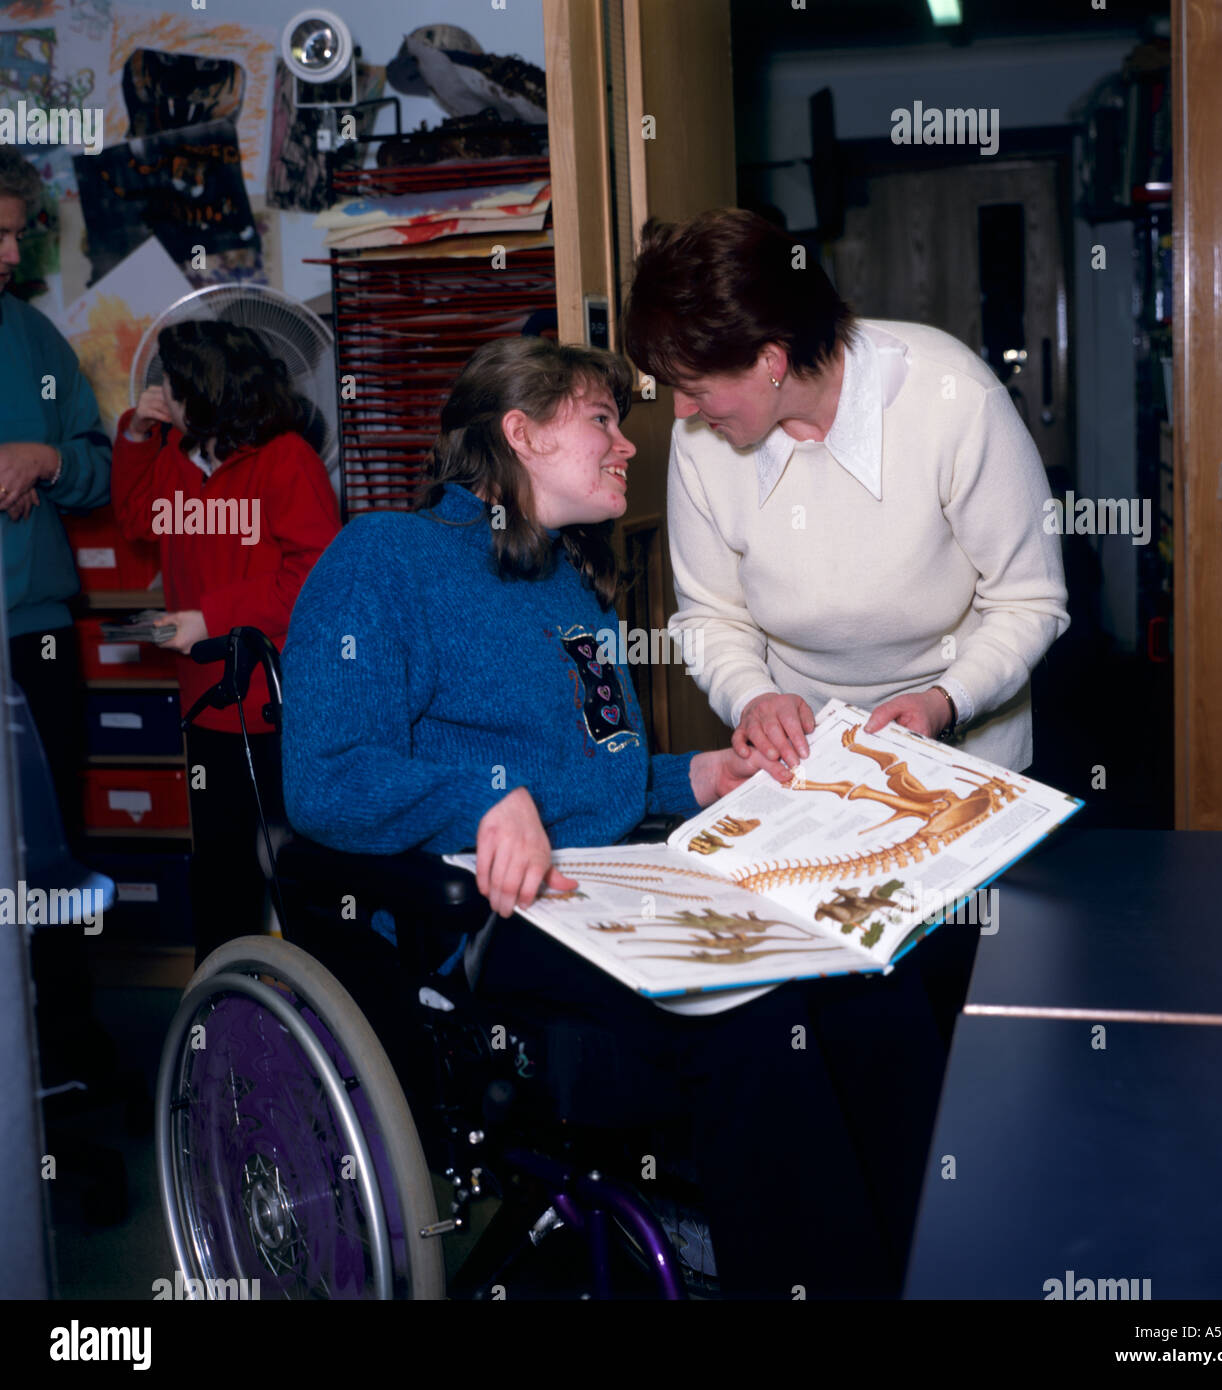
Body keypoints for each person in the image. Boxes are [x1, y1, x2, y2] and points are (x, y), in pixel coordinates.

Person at [280, 335, 926, 1297]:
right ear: (520, 434)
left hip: (609, 881)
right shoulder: (387, 558)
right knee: (755, 1014)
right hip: (481, 918)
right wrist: (485, 801)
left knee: (870, 982)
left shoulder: (564, 580)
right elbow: (326, 779)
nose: (628, 444)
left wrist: (699, 776)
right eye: (600, 420)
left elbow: (594, 777)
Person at [622, 207, 1070, 1258]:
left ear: (772, 361)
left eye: (697, 384)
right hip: (807, 784)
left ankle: (963, 1247)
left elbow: (1030, 601)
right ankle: (868, 1257)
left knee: (957, 1055)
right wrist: (749, 699)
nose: (682, 411)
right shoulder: (707, 448)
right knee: (837, 1045)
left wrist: (942, 703)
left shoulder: (947, 394)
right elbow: (710, 617)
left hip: (963, 767)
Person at [112, 320, 340, 963]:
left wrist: (210, 618)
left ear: (205, 394)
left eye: (172, 385)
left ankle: (323, 1023)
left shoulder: (286, 459)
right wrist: (135, 435)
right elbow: (134, 519)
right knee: (219, 871)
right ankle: (222, 1014)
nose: (161, 393)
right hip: (207, 703)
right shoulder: (175, 456)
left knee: (297, 873)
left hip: (282, 707)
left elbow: (313, 580)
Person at [0, 148, 112, 829]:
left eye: (16, 234)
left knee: (49, 844)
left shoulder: (36, 337)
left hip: (35, 637)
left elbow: (99, 467)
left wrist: (44, 460)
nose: (12, 255)